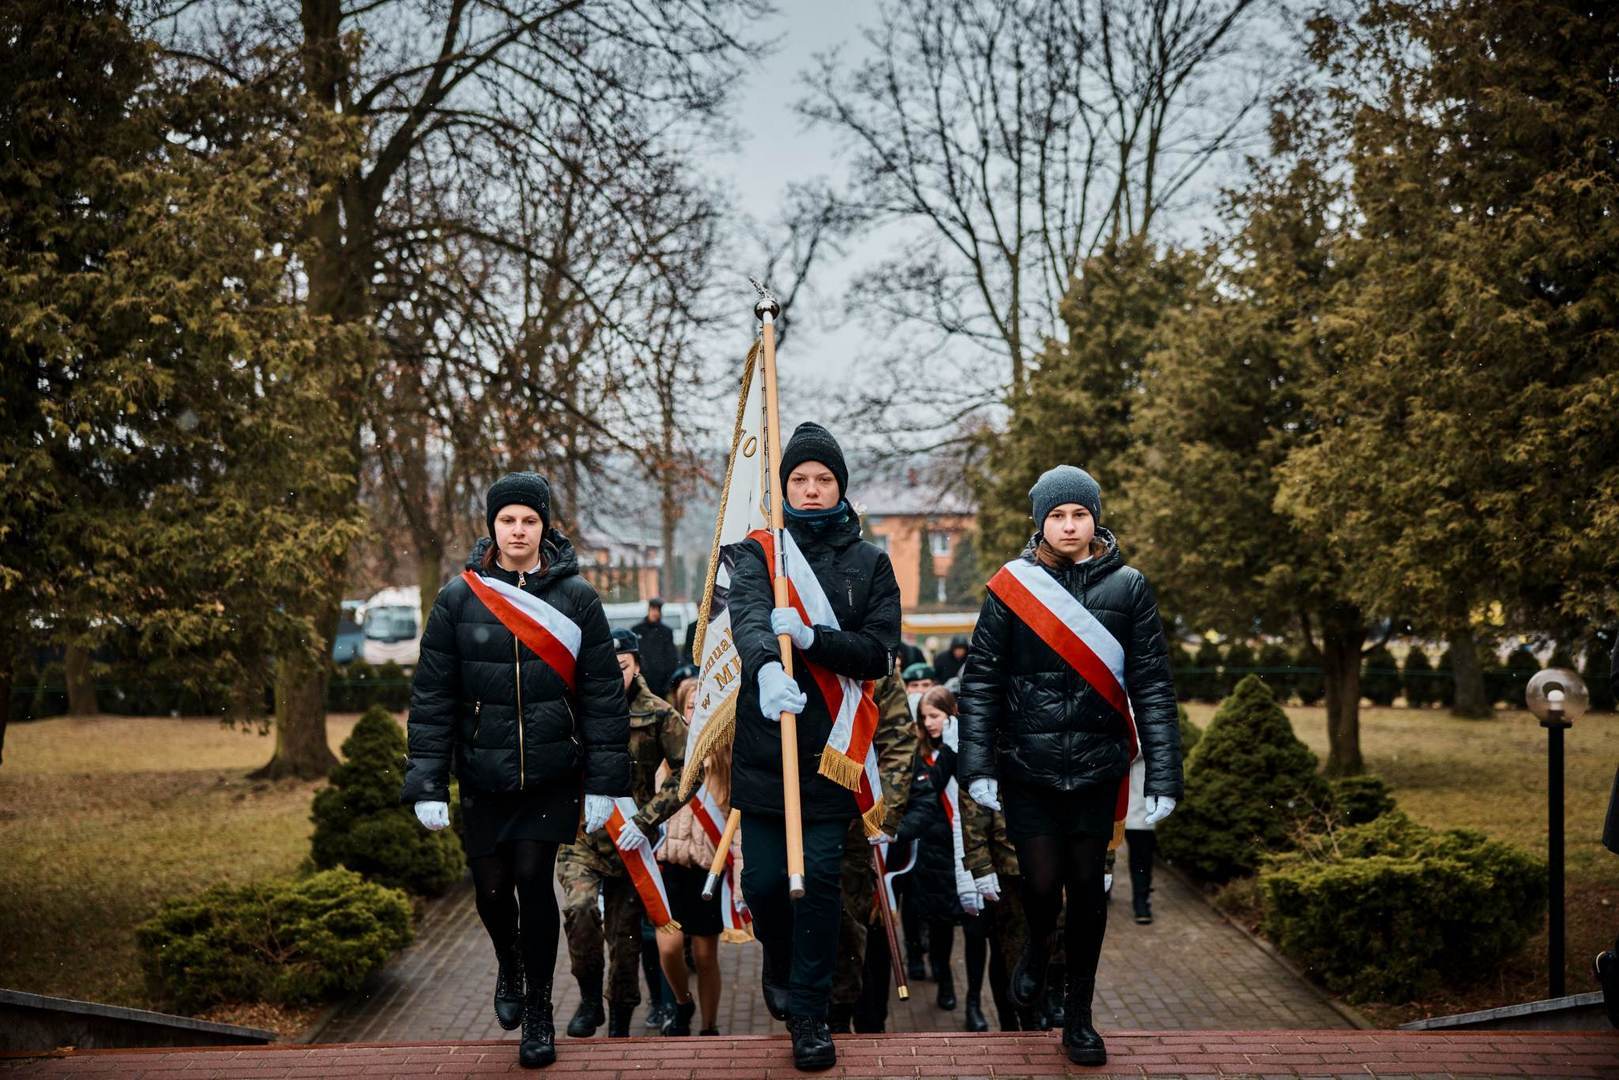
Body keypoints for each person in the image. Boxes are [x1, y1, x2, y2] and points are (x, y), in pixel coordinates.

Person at [402, 471, 631, 1070]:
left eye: (530, 520)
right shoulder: (458, 598)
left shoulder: (577, 598)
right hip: (482, 772)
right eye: (508, 520)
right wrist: (428, 781)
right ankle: (510, 963)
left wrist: (606, 782)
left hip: (552, 772)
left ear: (544, 527)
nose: (519, 530)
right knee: (491, 891)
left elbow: (603, 696)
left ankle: (538, 1013)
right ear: (493, 526)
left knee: (533, 880)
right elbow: (433, 696)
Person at [958, 465, 1182, 1067]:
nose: (1069, 525)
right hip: (1026, 767)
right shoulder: (1011, 588)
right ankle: (1037, 944)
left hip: (1096, 768)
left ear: (1095, 519)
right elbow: (980, 683)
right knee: (1038, 885)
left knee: (1087, 891)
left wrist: (1163, 773)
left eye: (1079, 514)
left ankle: (1078, 1014)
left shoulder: (1129, 587)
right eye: (1057, 515)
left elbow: (1153, 685)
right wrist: (977, 766)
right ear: (1040, 523)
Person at [729, 421, 902, 1071]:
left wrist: (811, 640)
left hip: (834, 750)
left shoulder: (870, 563)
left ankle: (809, 1014)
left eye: (822, 479)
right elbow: (747, 614)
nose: (809, 489)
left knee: (821, 885)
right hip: (766, 745)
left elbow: (879, 651)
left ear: (840, 486)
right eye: (798, 479)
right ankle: (776, 956)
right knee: (766, 883)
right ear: (783, 488)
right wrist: (765, 667)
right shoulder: (760, 554)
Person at [555, 627, 686, 1039]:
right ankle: (589, 998)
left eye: (623, 666)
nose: (615, 675)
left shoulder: (659, 714)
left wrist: (647, 820)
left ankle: (620, 1029)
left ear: (638, 666)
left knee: (626, 945)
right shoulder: (576, 710)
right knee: (579, 910)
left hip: (630, 845)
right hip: (582, 840)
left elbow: (688, 773)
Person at [828, 672, 917, 1034]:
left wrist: (885, 817)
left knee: (865, 927)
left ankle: (866, 1019)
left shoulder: (879, 667)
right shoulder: (791, 655)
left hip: (864, 819)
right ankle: (828, 1017)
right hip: (805, 818)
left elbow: (899, 741)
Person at [655, 676, 734, 1036]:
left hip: (707, 869)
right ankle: (682, 1001)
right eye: (691, 705)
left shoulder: (727, 757)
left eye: (705, 704)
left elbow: (735, 819)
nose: (697, 711)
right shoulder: (665, 753)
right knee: (669, 947)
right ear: (681, 710)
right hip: (669, 864)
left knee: (704, 956)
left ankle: (709, 1026)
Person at [896, 686, 976, 1016]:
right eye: (924, 718)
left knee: (967, 927)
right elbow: (930, 788)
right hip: (932, 851)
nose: (929, 723)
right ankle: (942, 978)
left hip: (964, 847)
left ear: (950, 714)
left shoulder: (966, 749)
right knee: (937, 922)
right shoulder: (921, 756)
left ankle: (968, 996)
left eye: (935, 716)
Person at [1123, 752, 1158, 924]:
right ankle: (1103, 892)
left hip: (1139, 806)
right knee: (1101, 856)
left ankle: (1141, 901)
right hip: (1106, 802)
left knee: (1141, 857)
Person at [635, 598, 681, 698]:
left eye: (657, 610)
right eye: (653, 609)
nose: (655, 613)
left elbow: (671, 657)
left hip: (661, 682)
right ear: (649, 610)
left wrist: (667, 681)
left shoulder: (666, 632)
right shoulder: (637, 630)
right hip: (642, 680)